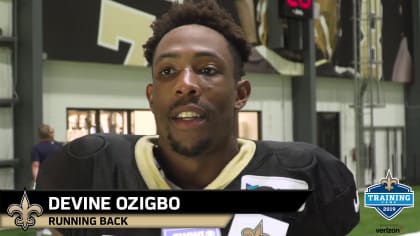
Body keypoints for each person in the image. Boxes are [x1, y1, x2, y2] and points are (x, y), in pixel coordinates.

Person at [37, 0, 360, 235]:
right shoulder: (90, 170)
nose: (186, 85)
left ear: (240, 94)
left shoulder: (309, 176)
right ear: (151, 97)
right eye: (167, 71)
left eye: (207, 70)